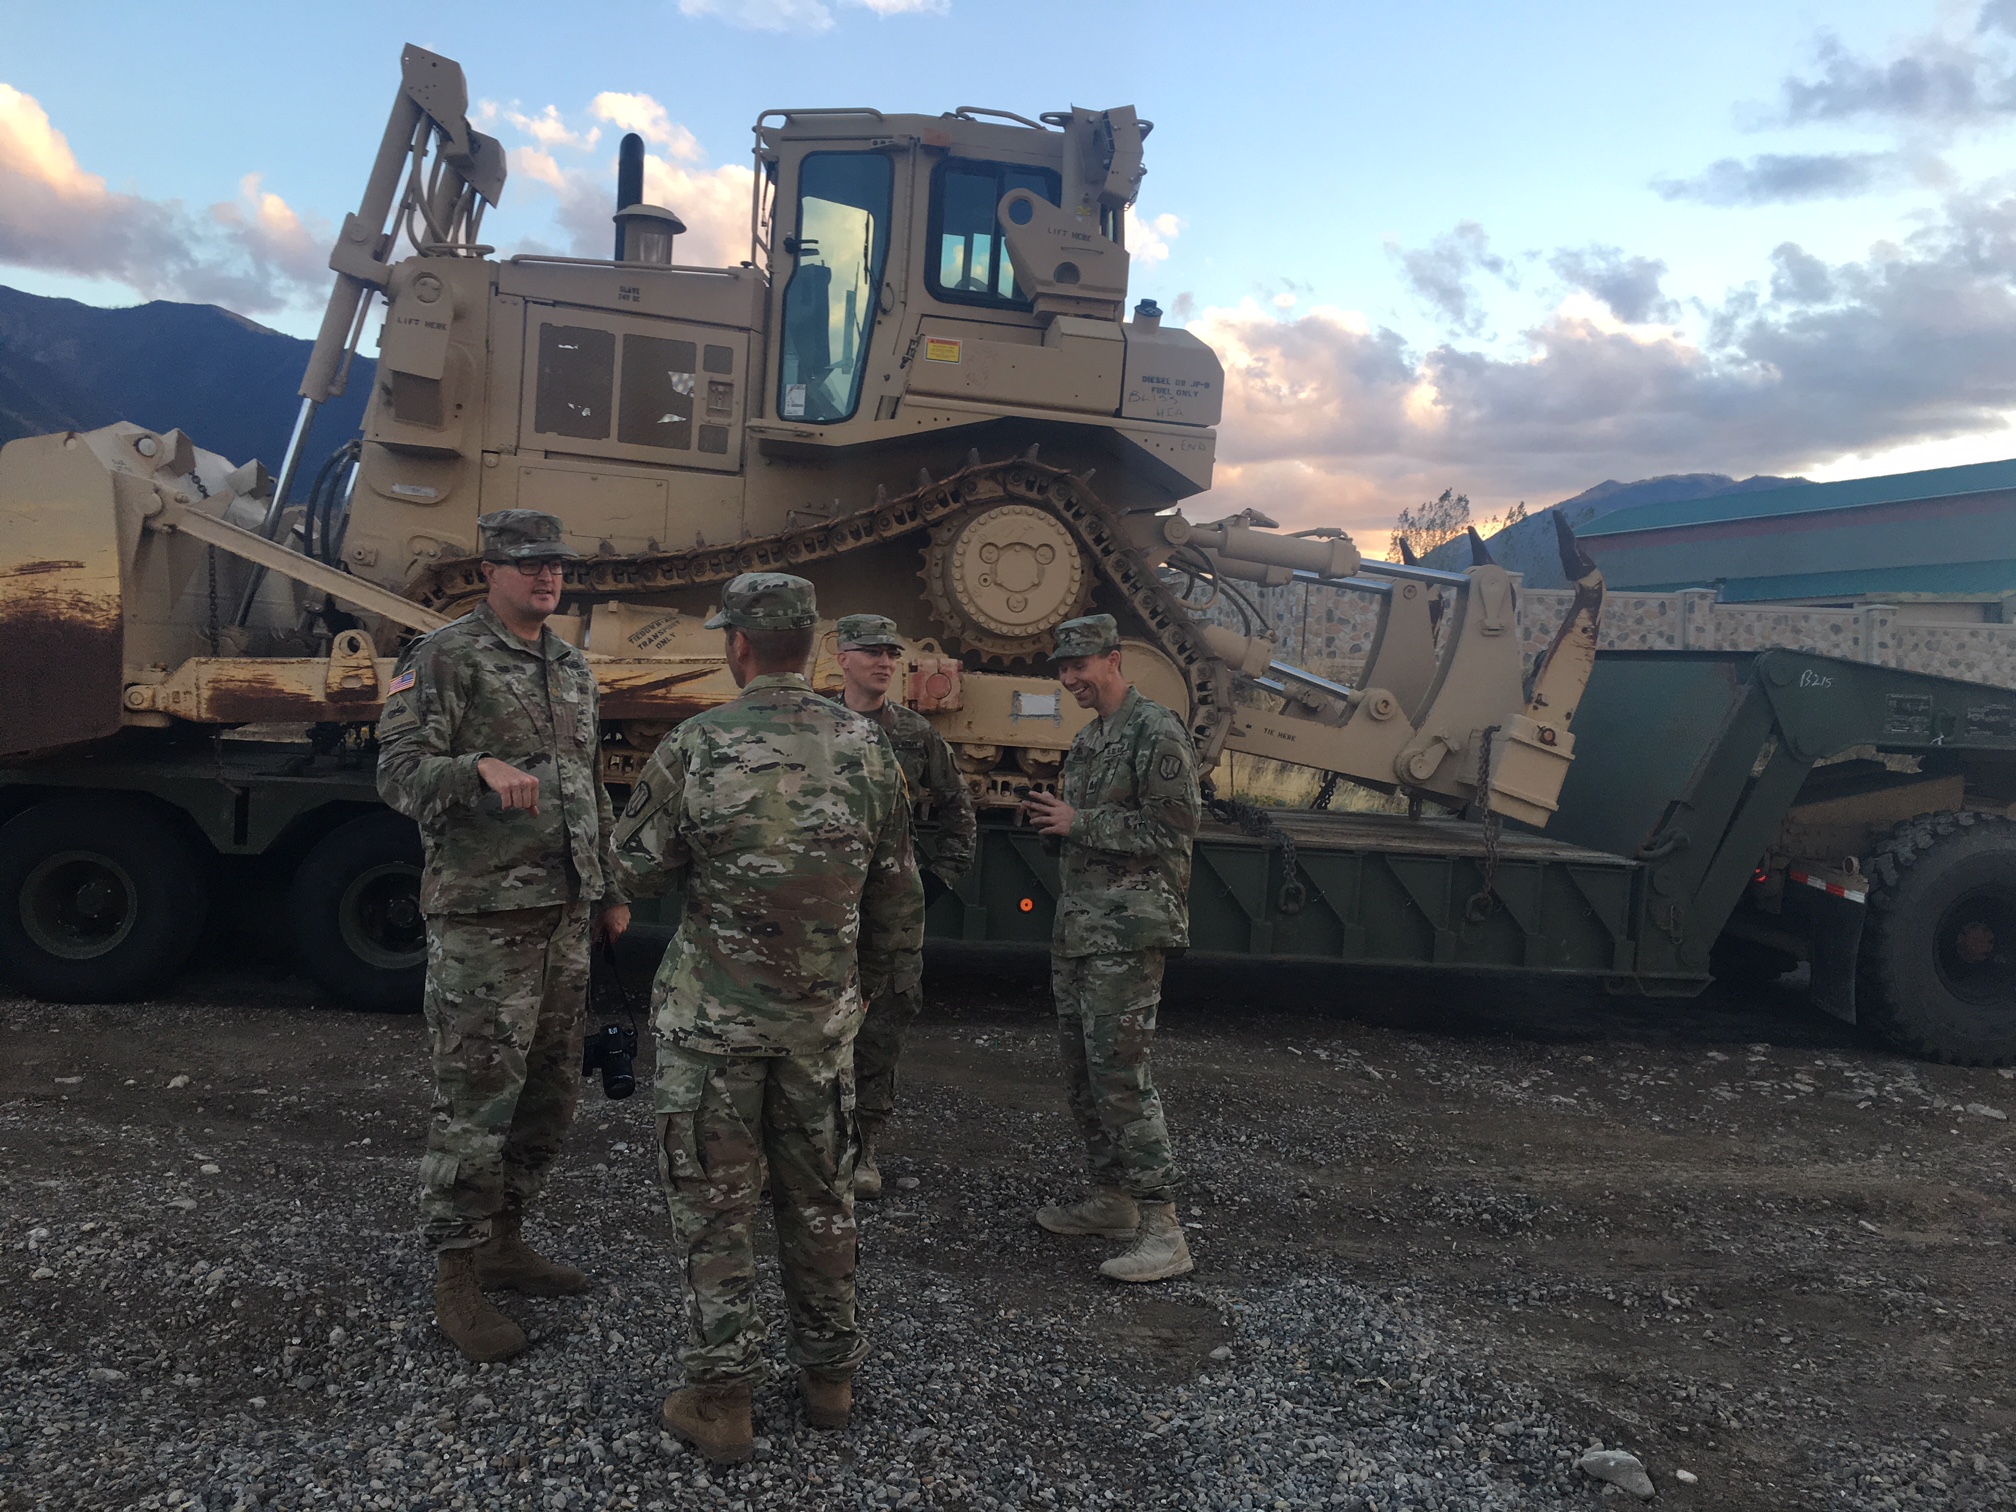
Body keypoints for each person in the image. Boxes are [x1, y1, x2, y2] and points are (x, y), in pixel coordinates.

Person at [614, 573, 923, 1464]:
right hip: (821, 1027)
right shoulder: (869, 749)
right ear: (813, 648)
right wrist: (867, 995)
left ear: (739, 646)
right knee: (822, 1201)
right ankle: (830, 1380)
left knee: (718, 1211)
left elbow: (630, 871)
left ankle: (723, 1400)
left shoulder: (699, 746)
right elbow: (898, 896)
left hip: (715, 1029)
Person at [375, 509, 631, 1363]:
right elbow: (397, 774)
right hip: (484, 917)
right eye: (528, 566)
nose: (546, 578)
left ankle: (506, 1240)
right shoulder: (445, 657)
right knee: (478, 1095)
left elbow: (590, 786)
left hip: (562, 916)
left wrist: (607, 888)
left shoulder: (571, 667)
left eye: (556, 565)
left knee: (550, 1091)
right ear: (490, 569)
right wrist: (475, 768)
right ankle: (456, 1273)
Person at [1022, 613, 1200, 1284]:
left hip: (1129, 932)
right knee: (1083, 1072)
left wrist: (1081, 820)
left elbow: (1177, 828)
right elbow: (1087, 830)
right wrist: (1051, 822)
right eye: (1061, 670)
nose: (1070, 679)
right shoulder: (1091, 739)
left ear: (1114, 660)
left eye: (1079, 666)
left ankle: (1164, 1228)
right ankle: (1113, 1201)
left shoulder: (1156, 731)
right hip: (1081, 929)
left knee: (1122, 1076)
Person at [829, 612, 977, 1199]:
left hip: (889, 921)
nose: (884, 662)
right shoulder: (815, 726)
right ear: (842, 658)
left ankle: (863, 1152)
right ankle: (796, 1149)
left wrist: (928, 888)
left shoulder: (916, 736)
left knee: (880, 1033)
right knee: (804, 1035)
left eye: (892, 653)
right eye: (870, 652)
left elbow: (958, 819)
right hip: (816, 915)